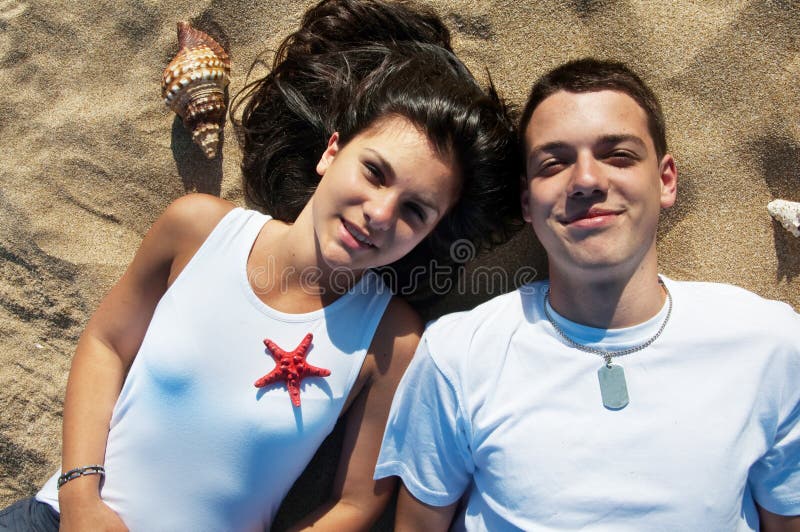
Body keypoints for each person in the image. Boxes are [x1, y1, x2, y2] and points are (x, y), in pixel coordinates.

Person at [0, 1, 521, 530]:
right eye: (374, 172)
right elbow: (105, 345)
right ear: (331, 151)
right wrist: (82, 499)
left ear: (432, 232)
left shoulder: (391, 339)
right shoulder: (198, 229)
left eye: (415, 210)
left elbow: (357, 502)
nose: (380, 213)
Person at [375, 58, 800, 531]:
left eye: (617, 155)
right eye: (554, 163)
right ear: (525, 201)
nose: (586, 181)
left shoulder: (769, 343)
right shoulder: (458, 354)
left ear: (665, 181)